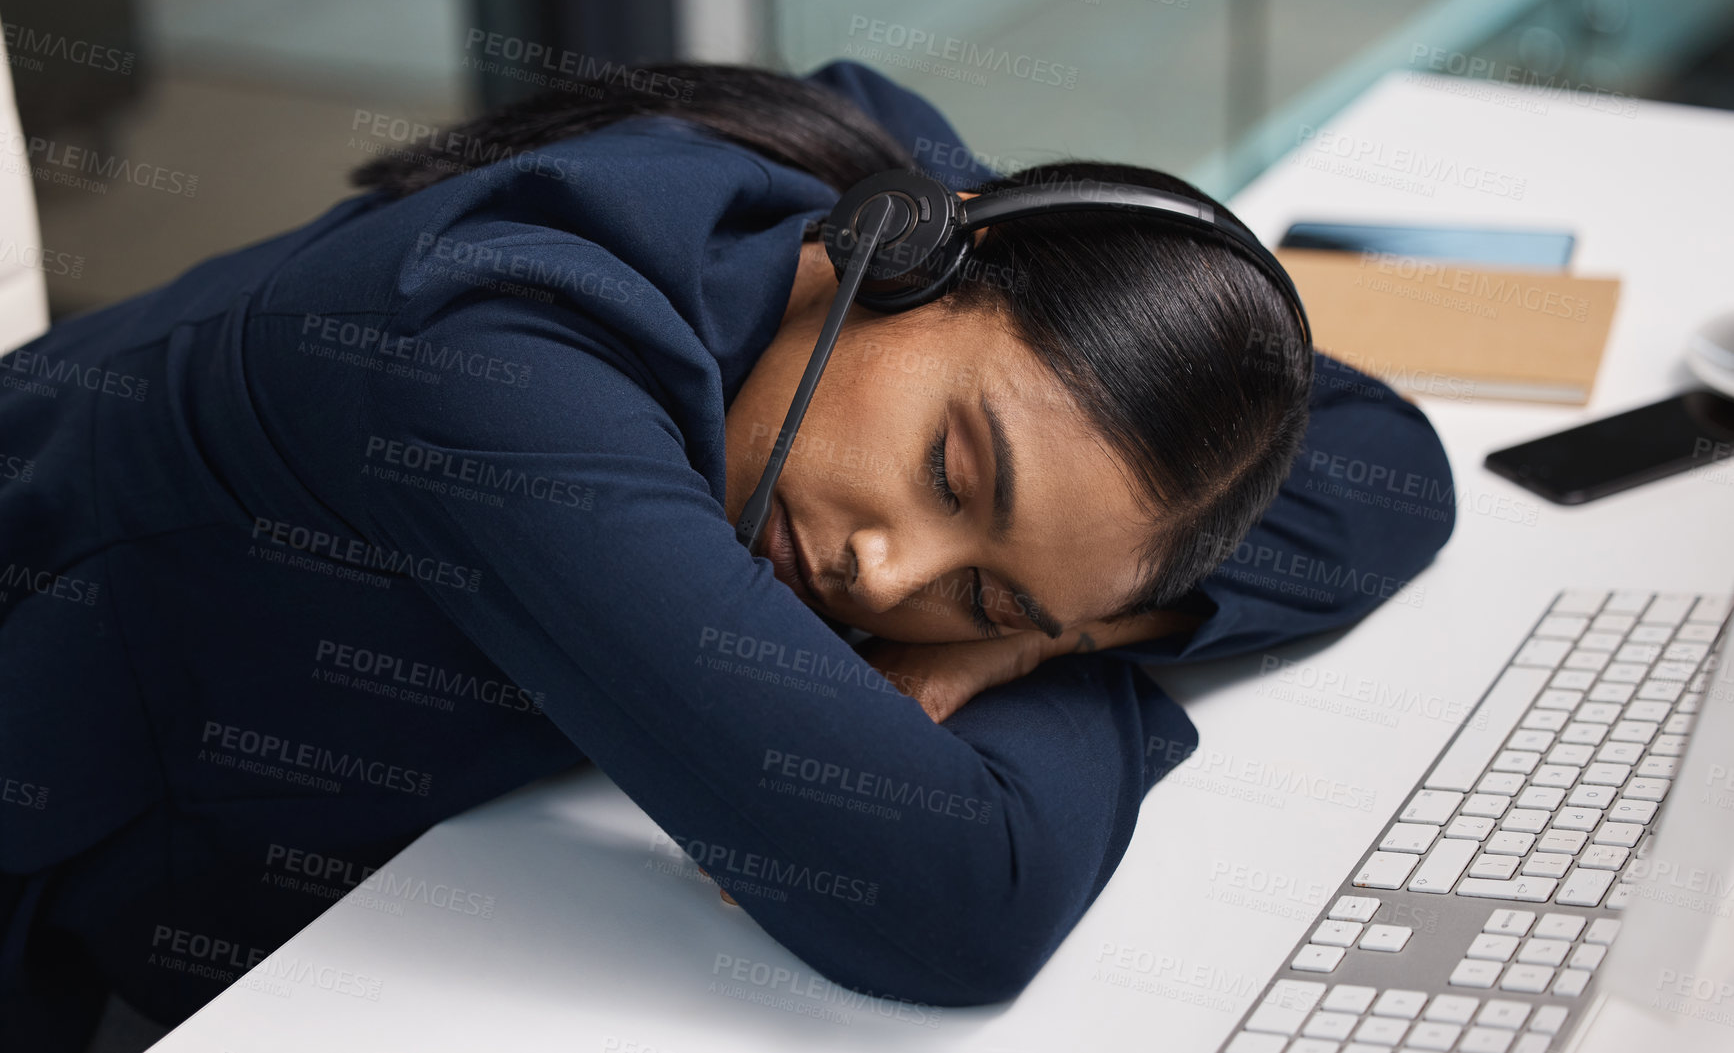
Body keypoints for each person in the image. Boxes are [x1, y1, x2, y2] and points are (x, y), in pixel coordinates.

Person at [0, 59, 1453, 1046]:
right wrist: (1068, 671)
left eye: (985, 587)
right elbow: (957, 898)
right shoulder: (484, 366)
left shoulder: (871, 190)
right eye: (954, 469)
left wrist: (1038, 633)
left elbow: (1382, 450)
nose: (887, 582)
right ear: (904, 255)